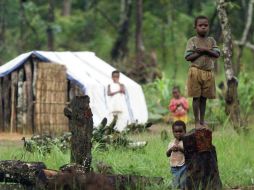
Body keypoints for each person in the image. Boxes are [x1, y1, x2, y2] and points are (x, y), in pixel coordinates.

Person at [184, 15, 220, 128]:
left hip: (208, 72)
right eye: (200, 25)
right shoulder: (192, 41)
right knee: (196, 97)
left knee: (204, 98)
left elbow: (217, 54)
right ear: (195, 27)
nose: (203, 27)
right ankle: (196, 122)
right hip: (195, 71)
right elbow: (188, 57)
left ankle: (202, 121)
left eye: (206, 25)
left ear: (208, 26)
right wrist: (202, 52)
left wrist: (204, 50)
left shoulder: (211, 40)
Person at [166, 120, 186, 190]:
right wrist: (171, 149)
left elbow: (188, 153)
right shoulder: (171, 142)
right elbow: (167, 154)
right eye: (176, 132)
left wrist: (180, 149)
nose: (178, 133)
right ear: (173, 132)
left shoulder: (185, 142)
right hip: (174, 166)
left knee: (183, 181)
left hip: (183, 166)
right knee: (175, 181)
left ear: (185, 131)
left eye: (180, 131)